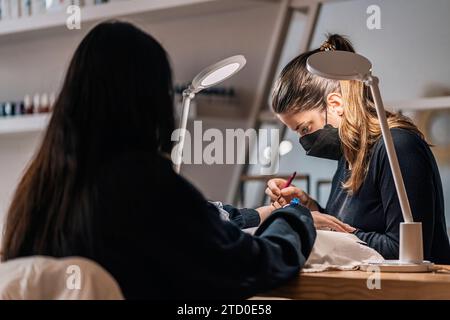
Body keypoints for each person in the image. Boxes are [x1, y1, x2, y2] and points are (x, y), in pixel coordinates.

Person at [1, 21, 317, 299]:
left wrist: (258, 216)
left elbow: (194, 225)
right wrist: (295, 217)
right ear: (151, 100)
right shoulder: (142, 184)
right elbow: (255, 266)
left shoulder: (39, 193)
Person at [266, 34, 450, 264]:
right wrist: (310, 206)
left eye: (305, 128)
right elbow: (353, 226)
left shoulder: (398, 148)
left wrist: (322, 229)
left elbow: (404, 251)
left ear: (335, 104)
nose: (304, 140)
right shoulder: (350, 156)